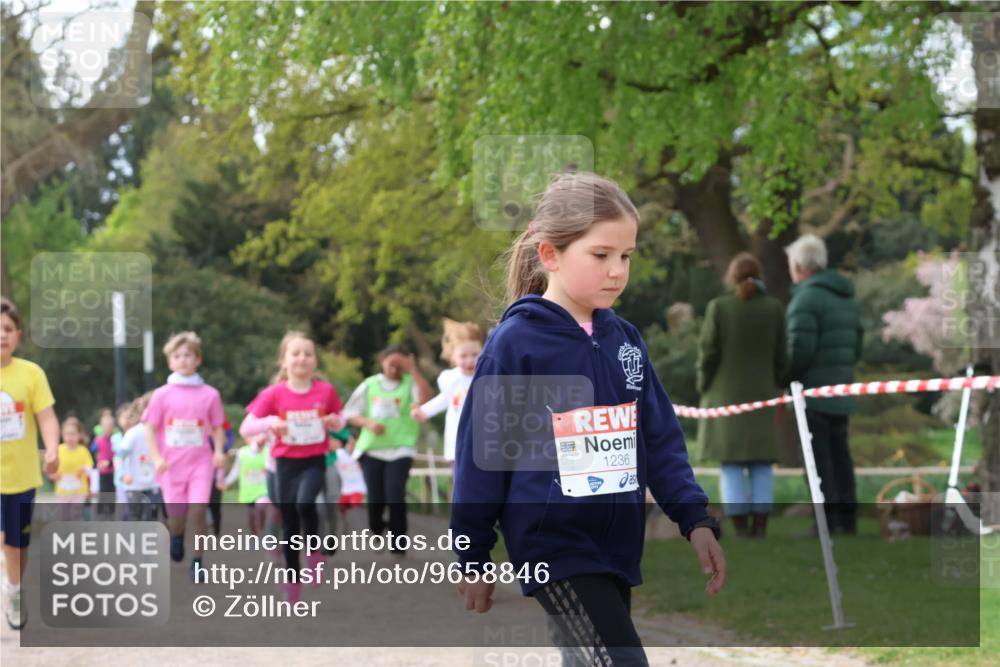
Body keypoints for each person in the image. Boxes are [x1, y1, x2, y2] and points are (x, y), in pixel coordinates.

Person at [451, 173, 726, 665]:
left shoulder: (626, 341)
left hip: (616, 548)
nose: (617, 270)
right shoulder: (516, 345)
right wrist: (472, 555)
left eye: (626, 256)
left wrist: (694, 519)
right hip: (553, 547)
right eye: (601, 255)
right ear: (551, 254)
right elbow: (483, 457)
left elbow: (660, 440)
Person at [239, 331, 345, 602]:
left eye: (308, 353)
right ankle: (292, 580)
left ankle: (315, 553)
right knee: (288, 521)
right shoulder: (274, 394)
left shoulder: (325, 391)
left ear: (315, 361)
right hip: (284, 464)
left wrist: (335, 422)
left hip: (313, 460)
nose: (302, 358)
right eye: (295, 353)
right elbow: (246, 426)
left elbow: (340, 419)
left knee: (305, 504)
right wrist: (269, 422)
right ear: (283, 360)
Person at [695, 253, 788, 538]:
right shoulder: (774, 308)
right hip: (763, 396)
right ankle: (760, 526)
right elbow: (782, 356)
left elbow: (708, 352)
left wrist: (703, 384)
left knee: (731, 464)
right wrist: (778, 384)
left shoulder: (719, 307)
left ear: (731, 278)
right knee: (761, 464)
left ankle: (739, 527)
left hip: (724, 397)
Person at [785, 234, 864, 535]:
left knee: (818, 461)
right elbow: (856, 345)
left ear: (798, 266)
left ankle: (826, 522)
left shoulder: (806, 299)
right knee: (841, 456)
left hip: (813, 392)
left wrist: (784, 377)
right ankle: (848, 519)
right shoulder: (846, 298)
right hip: (841, 389)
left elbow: (799, 350)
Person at [142, 331, 228, 580]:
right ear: (170, 362)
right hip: (171, 466)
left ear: (197, 359)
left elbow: (217, 426)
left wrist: (220, 451)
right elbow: (149, 427)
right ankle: (177, 536)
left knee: (199, 510)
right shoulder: (161, 395)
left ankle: (198, 561)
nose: (183, 360)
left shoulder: (210, 394)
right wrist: (157, 457)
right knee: (177, 517)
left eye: (188, 355)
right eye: (177, 356)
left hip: (200, 462)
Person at [0, 297, 60, 630]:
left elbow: (48, 417)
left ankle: (14, 589)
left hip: (23, 477)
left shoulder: (31, 374)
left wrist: (52, 448)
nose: (1, 335)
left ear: (18, 335)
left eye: (7, 329)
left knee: (17, 544)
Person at [344, 344, 432, 556]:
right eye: (392, 363)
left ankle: (398, 544)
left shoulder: (411, 383)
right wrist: (368, 422)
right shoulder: (370, 384)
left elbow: (426, 399)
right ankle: (377, 528)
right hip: (372, 449)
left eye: (399, 364)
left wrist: (413, 370)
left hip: (401, 449)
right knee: (376, 498)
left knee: (395, 495)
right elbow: (349, 413)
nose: (395, 368)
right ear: (382, 361)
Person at [411, 319, 484, 463]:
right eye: (464, 356)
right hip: (458, 438)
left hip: (483, 439)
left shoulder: (486, 376)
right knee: (460, 481)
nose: (470, 360)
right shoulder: (450, 379)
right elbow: (444, 399)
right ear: (452, 356)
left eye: (474, 354)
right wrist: (424, 411)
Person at [118, 393, 161, 521]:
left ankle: (148, 540)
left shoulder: (161, 432)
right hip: (134, 484)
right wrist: (123, 474)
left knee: (151, 517)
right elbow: (120, 456)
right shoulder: (133, 433)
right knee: (134, 517)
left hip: (154, 483)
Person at [220, 434, 271, 536]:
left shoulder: (267, 450)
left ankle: (262, 527)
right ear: (245, 439)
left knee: (261, 507)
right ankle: (254, 534)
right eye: (250, 436)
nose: (253, 439)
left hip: (263, 488)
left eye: (255, 435)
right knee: (251, 515)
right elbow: (236, 470)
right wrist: (226, 482)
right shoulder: (242, 452)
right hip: (248, 490)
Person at [48, 417, 94, 520]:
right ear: (62, 435)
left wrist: (83, 469)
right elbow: (50, 470)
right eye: (67, 434)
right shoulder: (58, 450)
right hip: (63, 490)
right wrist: (52, 475)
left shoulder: (83, 451)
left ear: (79, 435)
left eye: (73, 434)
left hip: (79, 490)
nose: (70, 437)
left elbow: (90, 468)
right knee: (64, 515)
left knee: (75, 514)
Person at [93, 409, 117, 519]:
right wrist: (96, 463)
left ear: (113, 427)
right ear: (101, 427)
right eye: (105, 426)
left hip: (113, 470)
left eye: (109, 426)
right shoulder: (98, 440)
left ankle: (111, 512)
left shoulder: (116, 439)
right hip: (102, 470)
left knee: (112, 491)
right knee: (103, 490)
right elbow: (92, 451)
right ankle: (101, 511)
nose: (107, 428)